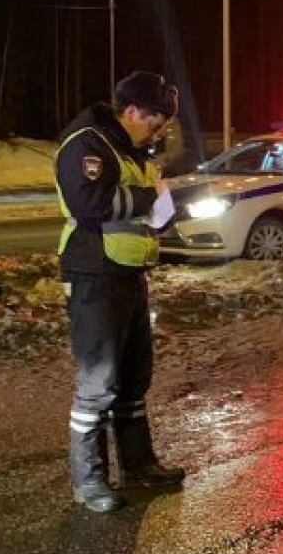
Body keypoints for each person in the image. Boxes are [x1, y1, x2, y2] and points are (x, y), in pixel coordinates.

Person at [55, 71, 186, 513]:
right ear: (131, 112)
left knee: (133, 379)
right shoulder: (87, 144)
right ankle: (89, 481)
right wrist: (149, 199)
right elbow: (89, 203)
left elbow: (146, 207)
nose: (158, 131)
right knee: (99, 382)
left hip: (129, 274)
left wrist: (165, 208)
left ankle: (139, 466)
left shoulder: (129, 150)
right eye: (154, 122)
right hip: (95, 274)